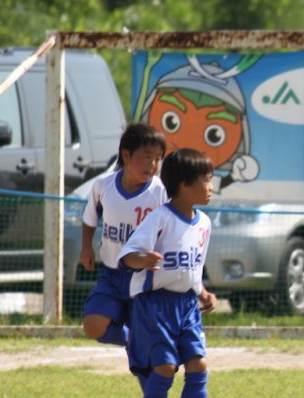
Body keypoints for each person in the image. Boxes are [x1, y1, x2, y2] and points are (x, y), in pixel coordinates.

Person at [118, 148, 218, 398]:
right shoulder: (160, 218)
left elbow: (192, 269)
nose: (211, 186)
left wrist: (203, 293)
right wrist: (142, 260)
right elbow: (127, 255)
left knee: (198, 364)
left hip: (187, 305)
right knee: (165, 367)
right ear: (184, 184)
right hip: (155, 305)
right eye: (206, 180)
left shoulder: (204, 223)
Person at [81, 123, 167, 348]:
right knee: (93, 325)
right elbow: (90, 218)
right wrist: (86, 247)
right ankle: (133, 341)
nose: (153, 164)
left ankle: (144, 345)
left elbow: (172, 230)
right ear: (126, 155)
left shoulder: (161, 192)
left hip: (145, 278)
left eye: (158, 158)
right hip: (111, 274)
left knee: (151, 338)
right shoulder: (103, 186)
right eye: (147, 157)